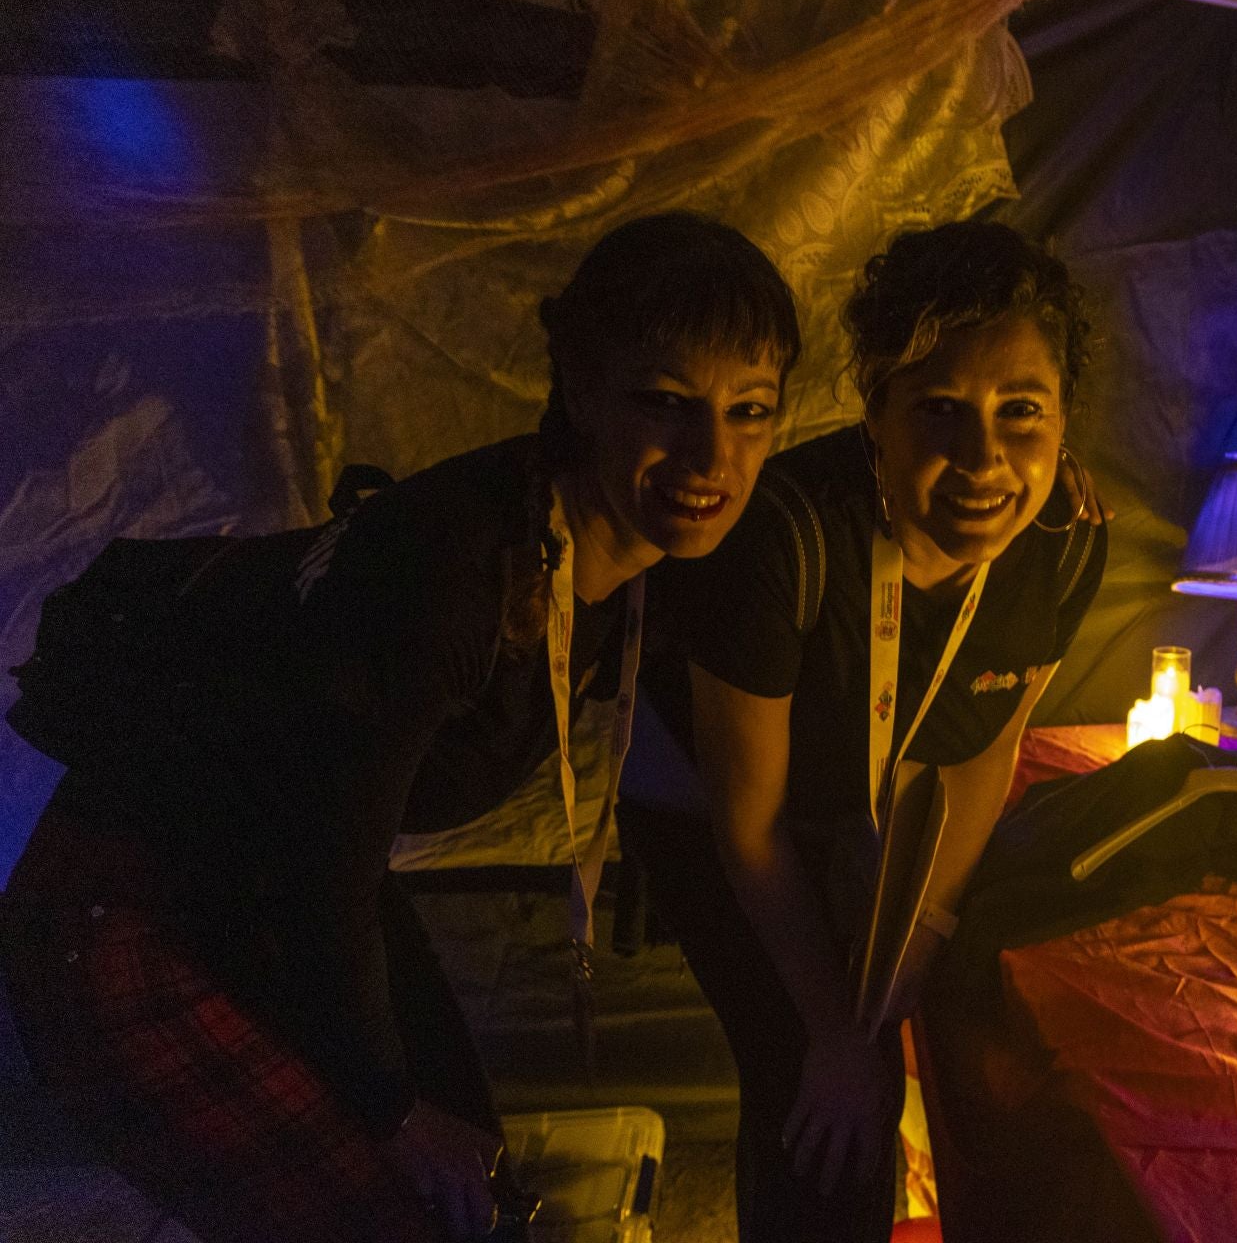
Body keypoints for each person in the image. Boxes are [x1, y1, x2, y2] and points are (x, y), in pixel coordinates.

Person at [0, 212, 800, 1242]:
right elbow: (317, 870)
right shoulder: (462, 568)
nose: (712, 453)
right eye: (665, 401)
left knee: (474, 1194)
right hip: (124, 924)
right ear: (583, 390)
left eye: (752, 411)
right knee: (385, 1214)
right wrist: (387, 1106)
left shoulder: (612, 552)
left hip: (272, 893)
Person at [635, 221, 1108, 1242]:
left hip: (868, 804)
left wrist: (909, 954)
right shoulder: (785, 538)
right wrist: (842, 1030)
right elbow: (749, 823)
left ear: (1066, 416)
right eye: (941, 409)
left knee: (931, 1022)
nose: (985, 459)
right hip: (711, 817)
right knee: (823, 1091)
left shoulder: (1067, 542)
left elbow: (983, 751)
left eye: (1022, 412)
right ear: (876, 416)